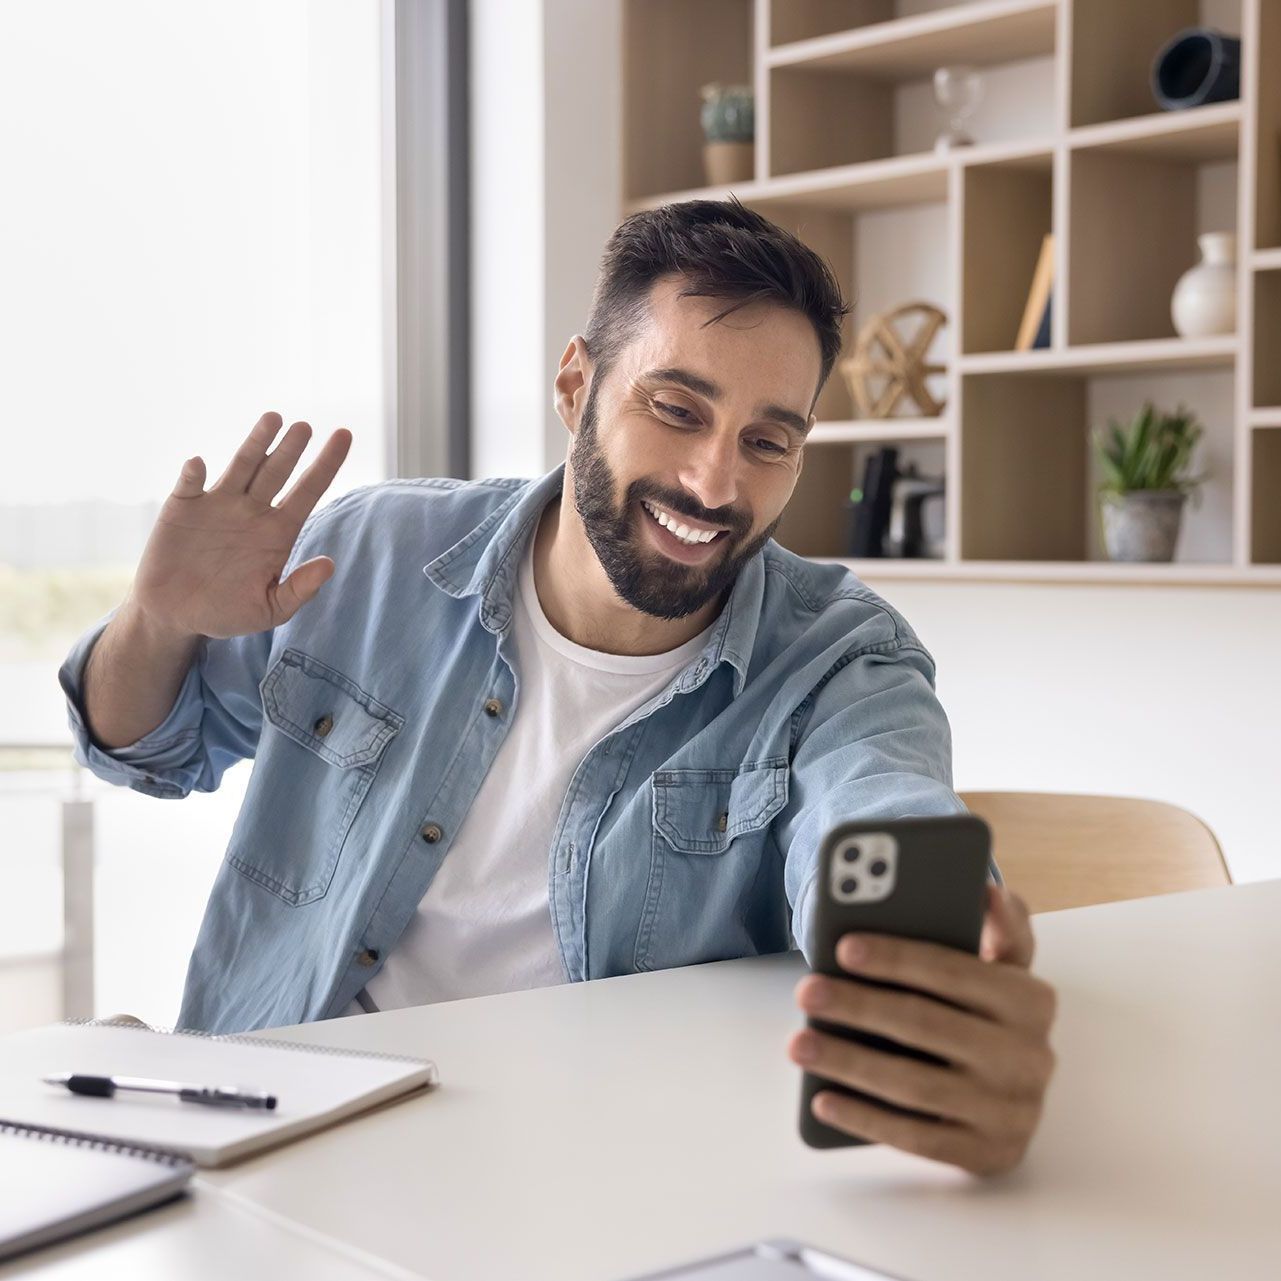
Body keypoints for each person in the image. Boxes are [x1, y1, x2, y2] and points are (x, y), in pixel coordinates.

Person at [59, 197, 1056, 1175]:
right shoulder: (363, 555)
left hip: (584, 1173)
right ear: (577, 386)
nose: (715, 485)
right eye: (676, 409)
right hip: (267, 1133)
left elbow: (879, 813)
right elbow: (143, 747)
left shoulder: (842, 658)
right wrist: (159, 623)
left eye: (768, 441)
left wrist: (937, 972)